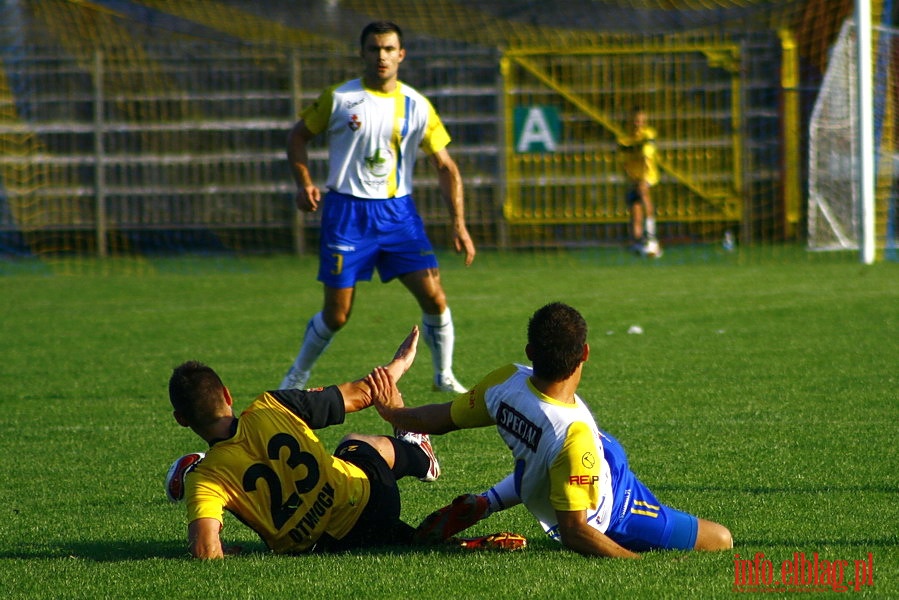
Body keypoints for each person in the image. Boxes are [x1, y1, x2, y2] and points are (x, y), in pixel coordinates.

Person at [369, 302, 733, 558]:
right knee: (721, 539)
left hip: (559, 463)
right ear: (585, 353)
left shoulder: (505, 382)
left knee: (549, 458)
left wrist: (395, 412)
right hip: (616, 510)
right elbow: (575, 530)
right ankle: (488, 501)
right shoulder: (576, 436)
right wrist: (636, 565)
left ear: (530, 350)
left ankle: (487, 501)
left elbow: (441, 417)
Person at [166, 326, 525, 558]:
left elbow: (205, 551)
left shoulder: (205, 479)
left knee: (365, 523)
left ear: (182, 420)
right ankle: (418, 454)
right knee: (354, 445)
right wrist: (399, 364)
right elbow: (360, 394)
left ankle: (437, 539)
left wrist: (229, 550)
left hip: (323, 548)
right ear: (228, 394)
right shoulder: (269, 406)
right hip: (371, 504)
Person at [280, 20, 475, 394]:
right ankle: (296, 377)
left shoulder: (417, 105)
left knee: (435, 296)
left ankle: (444, 375)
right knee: (337, 315)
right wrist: (304, 183)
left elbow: (446, 166)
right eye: (374, 49)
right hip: (346, 213)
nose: (381, 56)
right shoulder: (339, 98)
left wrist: (459, 224)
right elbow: (297, 136)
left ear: (401, 55)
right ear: (362, 53)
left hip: (398, 214)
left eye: (389, 49)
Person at [618, 107, 662, 258]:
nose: (639, 124)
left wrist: (642, 180)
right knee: (635, 210)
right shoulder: (624, 139)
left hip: (648, 175)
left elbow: (646, 158)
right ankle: (638, 243)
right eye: (636, 121)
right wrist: (631, 178)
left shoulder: (648, 135)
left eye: (642, 121)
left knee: (643, 191)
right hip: (633, 177)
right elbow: (624, 163)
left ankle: (651, 237)